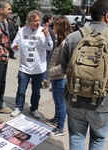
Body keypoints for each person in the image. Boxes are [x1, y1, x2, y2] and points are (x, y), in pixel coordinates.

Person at [61, 0, 108, 149]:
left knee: (76, 136)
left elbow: (63, 68)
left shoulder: (73, 37)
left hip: (75, 98)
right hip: (102, 102)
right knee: (98, 139)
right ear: (107, 17)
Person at [10, 10, 53, 119]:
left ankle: (34, 108)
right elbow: (13, 44)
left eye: (39, 20)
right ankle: (18, 107)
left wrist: (47, 36)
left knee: (36, 91)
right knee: (21, 90)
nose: (38, 23)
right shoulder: (21, 31)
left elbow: (50, 47)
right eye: (35, 21)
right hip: (25, 68)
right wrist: (14, 47)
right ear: (29, 21)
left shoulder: (43, 31)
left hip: (39, 68)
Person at [46, 16, 72, 136]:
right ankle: (56, 119)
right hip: (56, 77)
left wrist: (50, 71)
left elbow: (64, 65)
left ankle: (60, 128)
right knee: (57, 101)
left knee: (61, 103)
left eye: (55, 25)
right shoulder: (59, 41)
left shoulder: (65, 43)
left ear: (60, 27)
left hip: (60, 78)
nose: (53, 27)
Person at [41, 14, 56, 89]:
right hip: (47, 48)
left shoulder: (42, 27)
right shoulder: (47, 28)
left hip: (45, 48)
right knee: (46, 63)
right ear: (49, 20)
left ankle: (43, 78)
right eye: (51, 19)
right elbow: (52, 39)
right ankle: (44, 79)